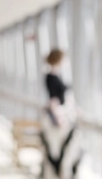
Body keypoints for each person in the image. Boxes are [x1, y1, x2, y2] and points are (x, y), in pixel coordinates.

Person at [40, 48, 82, 179]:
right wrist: (58, 117)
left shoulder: (55, 75)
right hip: (58, 117)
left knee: (63, 149)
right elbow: (54, 99)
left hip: (61, 114)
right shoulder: (51, 77)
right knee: (60, 149)